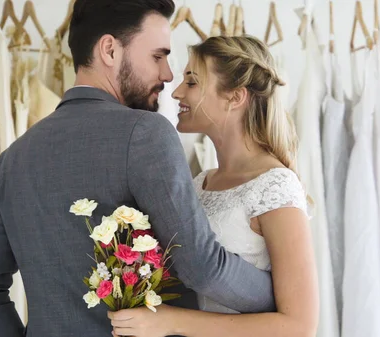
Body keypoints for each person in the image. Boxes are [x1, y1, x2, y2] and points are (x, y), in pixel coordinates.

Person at [0, 1, 276, 336]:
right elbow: (202, 267)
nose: (168, 74)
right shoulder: (146, 134)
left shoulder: (13, 159)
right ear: (109, 50)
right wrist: (279, 297)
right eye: (158, 56)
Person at [108, 36, 319, 337]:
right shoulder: (199, 182)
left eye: (192, 83)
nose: (177, 92)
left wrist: (170, 321)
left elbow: (299, 326)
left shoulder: (276, 185)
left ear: (235, 97)